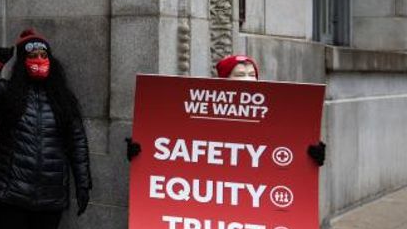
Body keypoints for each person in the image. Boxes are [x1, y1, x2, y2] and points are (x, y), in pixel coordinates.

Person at [0, 29, 91, 229]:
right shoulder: (6, 91)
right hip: (10, 193)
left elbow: (77, 143)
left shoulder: (63, 98)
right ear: (22, 62)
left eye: (44, 56)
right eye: (33, 56)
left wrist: (83, 184)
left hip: (50, 196)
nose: (39, 60)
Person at [125, 54, 327, 165]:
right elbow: (178, 149)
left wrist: (310, 156)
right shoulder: (202, 117)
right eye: (240, 75)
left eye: (251, 74)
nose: (248, 80)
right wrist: (143, 151)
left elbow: (287, 149)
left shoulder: (274, 118)